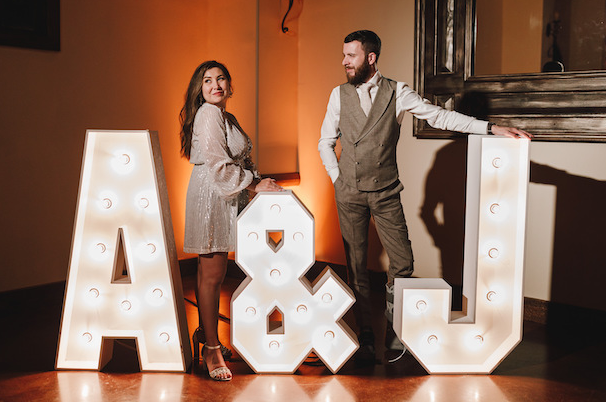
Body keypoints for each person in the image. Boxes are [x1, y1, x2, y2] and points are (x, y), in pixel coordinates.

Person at [318, 30, 531, 364]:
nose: (344, 61)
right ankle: (365, 333)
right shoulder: (338, 94)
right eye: (344, 55)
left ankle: (394, 332)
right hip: (348, 194)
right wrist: (336, 177)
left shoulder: (397, 92)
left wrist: (491, 129)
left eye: (351, 55)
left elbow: (440, 116)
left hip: (386, 192)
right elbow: (325, 141)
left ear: (371, 58)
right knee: (356, 266)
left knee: (402, 264)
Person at [180, 60, 282, 381]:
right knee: (213, 273)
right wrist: (254, 183)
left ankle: (204, 333)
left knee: (211, 271)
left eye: (221, 78)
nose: (215, 85)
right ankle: (211, 347)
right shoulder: (209, 114)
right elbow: (220, 165)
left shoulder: (227, 116)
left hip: (226, 196)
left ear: (230, 84)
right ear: (200, 88)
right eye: (207, 80)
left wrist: (260, 181)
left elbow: (243, 159)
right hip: (212, 196)